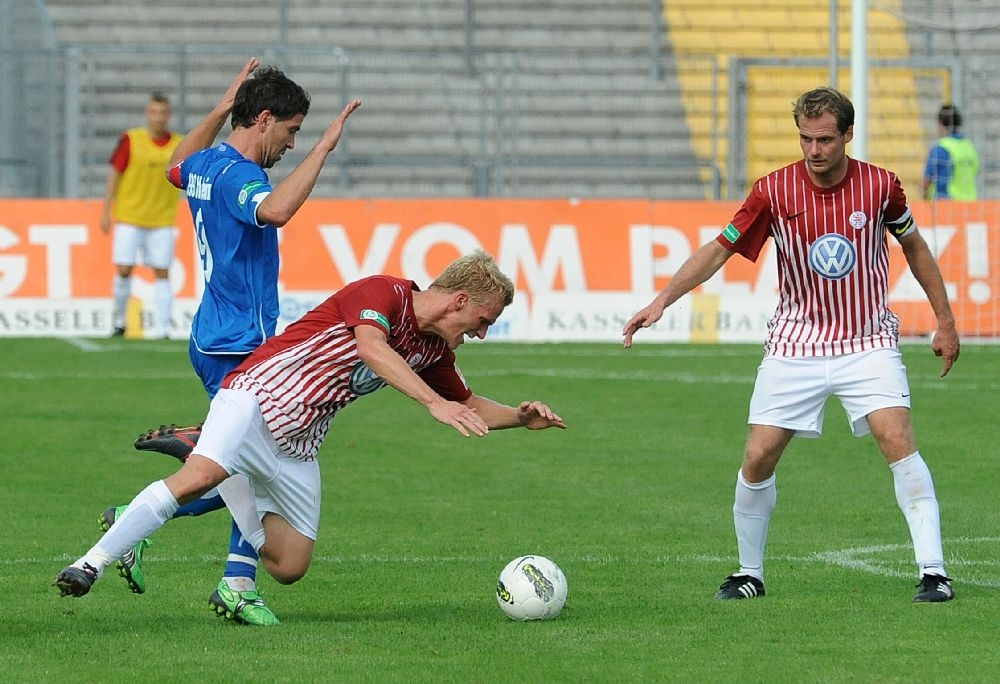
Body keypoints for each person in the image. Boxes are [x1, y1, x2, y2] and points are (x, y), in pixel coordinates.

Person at [53, 251, 568, 623]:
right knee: (200, 476)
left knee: (289, 566)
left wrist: (521, 419)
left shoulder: (435, 352)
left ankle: (215, 458)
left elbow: (471, 404)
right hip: (256, 398)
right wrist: (432, 403)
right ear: (459, 299)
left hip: (300, 444)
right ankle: (89, 564)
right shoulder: (384, 292)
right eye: (484, 320)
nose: (482, 332)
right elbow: (371, 349)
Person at [623, 87, 960, 603]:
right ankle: (748, 573)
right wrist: (663, 300)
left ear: (847, 135)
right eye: (805, 139)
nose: (814, 150)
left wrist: (945, 320)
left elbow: (913, 245)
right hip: (795, 343)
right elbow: (721, 250)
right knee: (758, 456)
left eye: (825, 139)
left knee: (896, 438)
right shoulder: (773, 190)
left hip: (866, 339)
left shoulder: (881, 187)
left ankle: (934, 572)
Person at [99, 58, 362, 625]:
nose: (293, 143)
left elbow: (175, 165)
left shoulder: (206, 163)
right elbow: (277, 210)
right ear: (263, 119)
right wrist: (325, 150)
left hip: (217, 334)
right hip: (241, 341)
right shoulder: (243, 176)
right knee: (254, 468)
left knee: (250, 467)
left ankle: (227, 575)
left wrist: (220, 108)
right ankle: (173, 542)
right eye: (291, 131)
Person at [100, 91, 184, 338]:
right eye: (154, 112)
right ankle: (119, 321)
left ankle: (163, 328)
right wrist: (106, 211)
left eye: (163, 113)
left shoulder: (179, 143)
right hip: (130, 216)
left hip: (161, 219)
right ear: (148, 114)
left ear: (168, 115)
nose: (158, 118)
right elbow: (115, 174)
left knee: (162, 271)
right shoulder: (131, 139)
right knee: (124, 269)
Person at [922, 104, 979, 201]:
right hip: (970, 206)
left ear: (940, 123)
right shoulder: (969, 147)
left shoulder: (941, 148)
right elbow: (975, 172)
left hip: (948, 207)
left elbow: (927, 181)